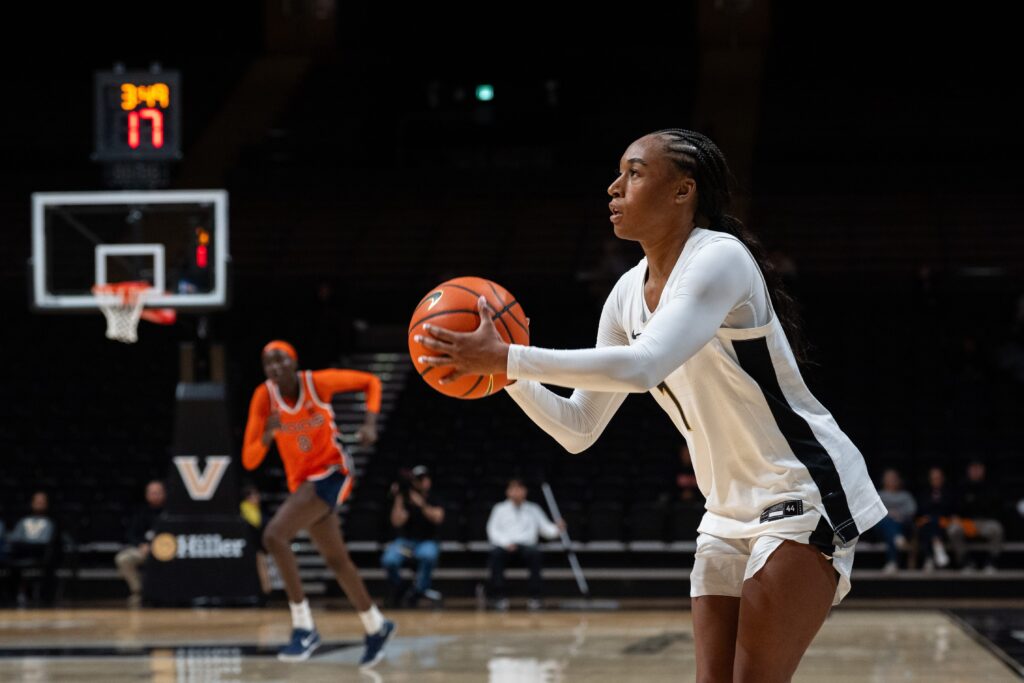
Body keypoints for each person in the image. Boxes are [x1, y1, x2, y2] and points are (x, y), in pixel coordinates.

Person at [415, 129, 887, 682]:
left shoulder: (720, 258)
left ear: (682, 191)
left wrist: (512, 356)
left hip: (801, 491)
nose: (614, 187)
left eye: (634, 173)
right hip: (724, 511)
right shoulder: (625, 294)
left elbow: (643, 366)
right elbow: (579, 427)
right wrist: (504, 373)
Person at [242, 340, 395, 667]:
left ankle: (304, 627)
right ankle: (376, 625)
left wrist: (370, 423)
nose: (275, 367)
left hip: (333, 472)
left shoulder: (317, 383)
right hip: (303, 484)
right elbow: (250, 459)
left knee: (273, 535)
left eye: (281, 360)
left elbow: (372, 382)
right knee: (337, 561)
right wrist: (268, 435)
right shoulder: (264, 397)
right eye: (268, 363)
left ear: (294, 362)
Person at [485, 478, 564, 611]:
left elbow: (546, 529)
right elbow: (492, 530)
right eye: (513, 489)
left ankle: (535, 597)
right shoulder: (499, 509)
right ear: (508, 492)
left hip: (527, 547)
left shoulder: (533, 509)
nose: (517, 492)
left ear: (525, 491)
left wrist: (557, 528)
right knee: (495, 555)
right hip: (506, 546)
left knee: (536, 554)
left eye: (520, 489)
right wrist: (506, 544)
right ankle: (499, 597)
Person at [381, 465, 444, 607]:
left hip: (427, 541)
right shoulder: (404, 499)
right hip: (406, 543)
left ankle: (418, 591)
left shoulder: (434, 497)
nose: (425, 482)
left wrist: (421, 504)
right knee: (389, 559)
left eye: (426, 478)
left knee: (428, 555)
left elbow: (438, 518)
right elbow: (396, 522)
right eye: (420, 479)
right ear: (414, 482)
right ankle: (400, 588)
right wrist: (399, 498)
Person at [115, 480, 165, 608]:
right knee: (123, 559)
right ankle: (139, 592)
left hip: (167, 551)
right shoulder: (141, 511)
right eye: (152, 493)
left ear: (164, 494)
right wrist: (141, 545)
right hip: (144, 550)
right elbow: (131, 534)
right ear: (146, 494)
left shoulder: (170, 512)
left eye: (158, 492)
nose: (155, 495)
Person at [947, 460, 1003, 572]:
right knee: (953, 529)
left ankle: (991, 561)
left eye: (978, 468)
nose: (976, 471)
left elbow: (996, 507)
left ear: (983, 470)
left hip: (985, 522)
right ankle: (966, 560)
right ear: (968, 471)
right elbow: (956, 507)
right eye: (973, 468)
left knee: (997, 528)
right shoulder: (962, 487)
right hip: (967, 523)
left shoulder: (990, 486)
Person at [7, 491, 59, 605]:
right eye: (37, 501)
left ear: (47, 504)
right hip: (22, 553)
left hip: (40, 554)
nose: (39, 504)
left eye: (42, 501)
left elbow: (45, 541)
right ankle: (12, 597)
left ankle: (45, 598)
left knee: (50, 563)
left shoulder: (50, 523)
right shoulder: (23, 521)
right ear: (31, 503)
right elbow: (14, 538)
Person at [874, 469, 916, 573]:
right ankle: (898, 538)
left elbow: (912, 510)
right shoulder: (878, 495)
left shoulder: (905, 495)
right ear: (884, 481)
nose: (892, 481)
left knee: (892, 531)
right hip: (882, 527)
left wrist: (899, 514)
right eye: (889, 478)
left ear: (898, 480)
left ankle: (892, 562)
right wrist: (889, 514)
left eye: (894, 479)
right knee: (887, 522)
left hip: (902, 524)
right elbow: (874, 511)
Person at [916, 466, 953, 571]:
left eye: (938, 478)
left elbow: (950, 508)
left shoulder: (948, 492)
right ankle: (937, 549)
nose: (936, 481)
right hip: (926, 522)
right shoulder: (924, 492)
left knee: (932, 524)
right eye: (934, 478)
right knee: (927, 526)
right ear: (930, 480)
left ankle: (929, 558)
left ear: (943, 479)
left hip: (943, 522)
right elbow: (921, 508)